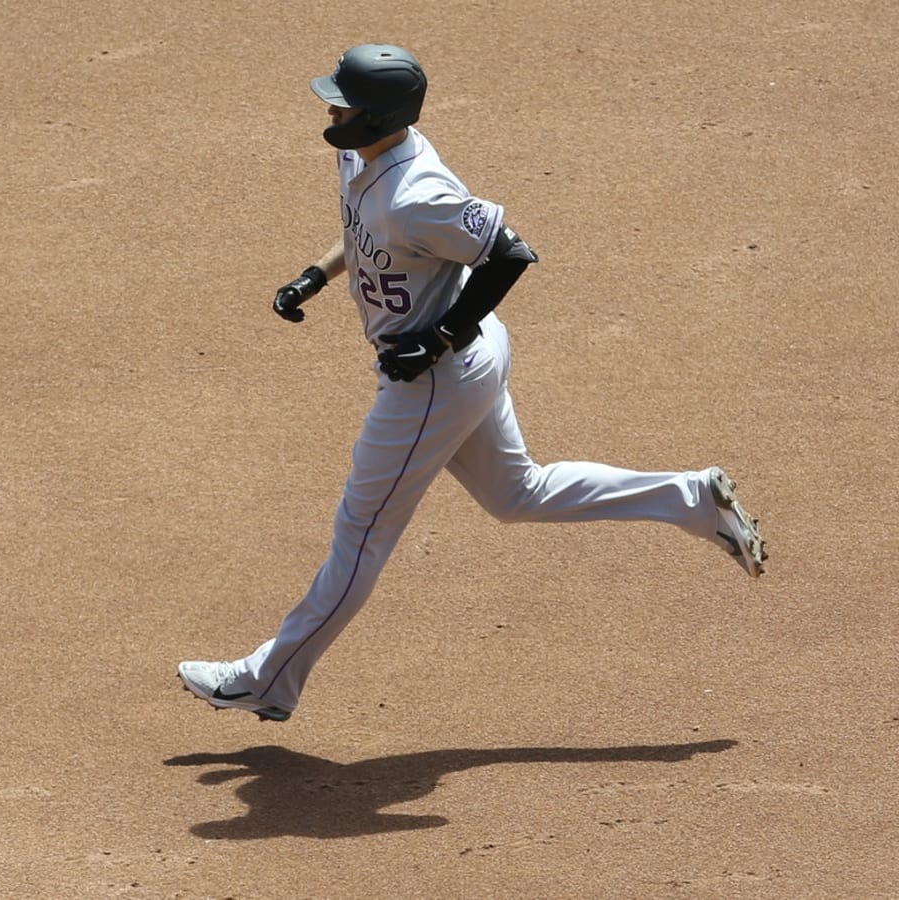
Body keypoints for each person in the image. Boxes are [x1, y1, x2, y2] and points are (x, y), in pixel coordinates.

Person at [178, 43, 766, 723]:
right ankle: (693, 499)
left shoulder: (417, 194)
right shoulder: (362, 157)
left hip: (435, 380)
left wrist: (439, 335)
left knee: (359, 535)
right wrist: (313, 275)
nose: (330, 108)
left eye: (343, 102)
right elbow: (361, 232)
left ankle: (267, 679)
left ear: (377, 117)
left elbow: (510, 254)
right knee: (517, 494)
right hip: (467, 366)